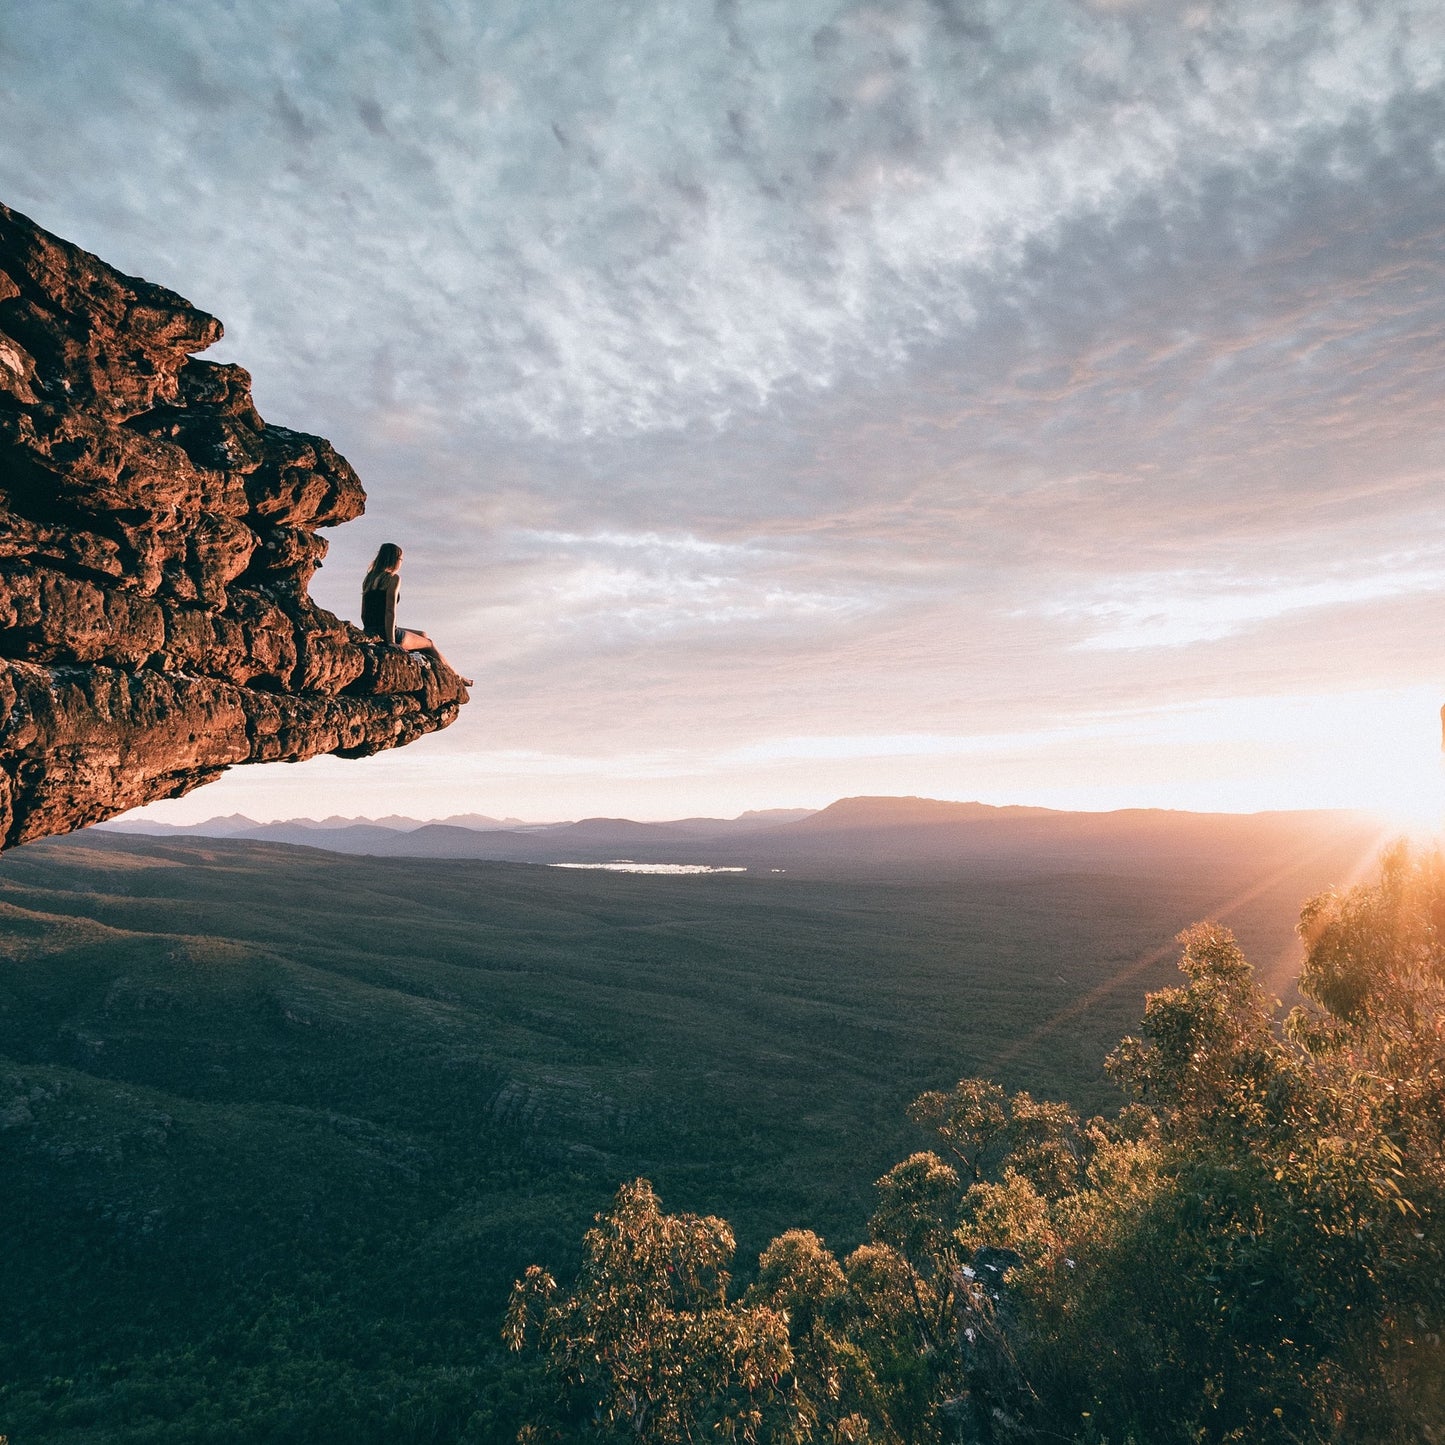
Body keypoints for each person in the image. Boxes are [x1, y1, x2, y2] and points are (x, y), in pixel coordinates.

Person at [361, 542, 471, 685]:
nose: (401, 563)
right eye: (401, 559)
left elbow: (364, 613)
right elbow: (389, 611)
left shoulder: (368, 579)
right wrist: (391, 641)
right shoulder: (393, 578)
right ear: (394, 560)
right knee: (429, 644)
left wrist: (369, 632)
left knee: (423, 635)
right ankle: (456, 678)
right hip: (387, 632)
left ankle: (431, 668)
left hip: (370, 629)